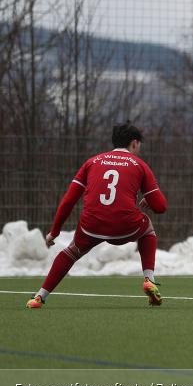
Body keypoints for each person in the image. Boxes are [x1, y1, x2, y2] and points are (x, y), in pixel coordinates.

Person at [26, 122, 168, 309]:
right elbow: (161, 207)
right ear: (134, 143)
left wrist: (55, 231)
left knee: (71, 252)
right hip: (125, 227)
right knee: (147, 228)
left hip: (91, 226)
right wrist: (148, 200)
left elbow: (68, 201)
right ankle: (149, 279)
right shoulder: (139, 165)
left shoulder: (92, 162)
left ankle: (39, 297)